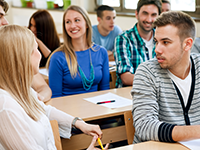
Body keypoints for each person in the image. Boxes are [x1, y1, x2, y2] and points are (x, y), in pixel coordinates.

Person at [0, 24, 109, 150]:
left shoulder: (23, 91)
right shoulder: (6, 108)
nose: (40, 55)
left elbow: (45, 110)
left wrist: (79, 124)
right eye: (35, 50)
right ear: (22, 57)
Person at [132, 11, 200, 144]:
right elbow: (144, 127)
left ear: (187, 44)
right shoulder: (147, 71)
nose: (157, 49)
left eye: (166, 42)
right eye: (156, 41)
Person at [47, 5, 110, 98]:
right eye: (68, 22)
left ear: (87, 24)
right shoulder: (58, 57)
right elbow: (55, 97)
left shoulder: (101, 52)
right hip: (68, 110)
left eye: (77, 20)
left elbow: (105, 90)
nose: (72, 26)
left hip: (97, 109)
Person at [0, 0, 52, 102]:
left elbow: (43, 88)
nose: (6, 22)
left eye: (4, 16)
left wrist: (38, 99)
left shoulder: (13, 52)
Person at [113, 0, 162, 88]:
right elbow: (126, 78)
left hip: (157, 94)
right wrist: (158, 81)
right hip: (130, 94)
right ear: (136, 14)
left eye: (153, 15)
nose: (149, 19)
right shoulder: (123, 39)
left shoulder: (162, 39)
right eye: (145, 13)